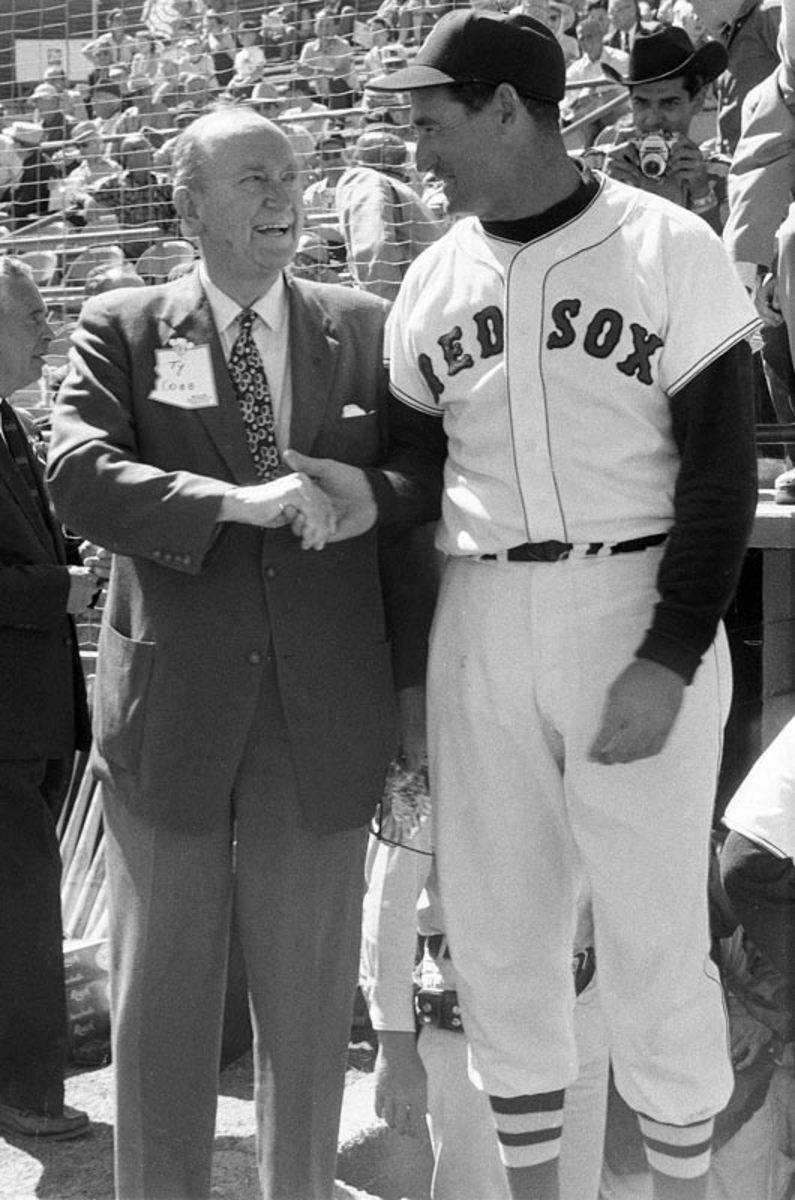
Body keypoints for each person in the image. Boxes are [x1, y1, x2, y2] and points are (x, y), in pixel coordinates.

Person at [308, 10, 761, 1199]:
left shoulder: (669, 246)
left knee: (657, 945)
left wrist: (669, 651)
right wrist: (369, 511)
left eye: (432, 120)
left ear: (509, 107)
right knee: (500, 947)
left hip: (635, 596)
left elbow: (720, 474)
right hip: (481, 612)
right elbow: (416, 488)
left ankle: (682, 1192)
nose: (417, 148)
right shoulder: (429, 276)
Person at [45, 107, 435, 1200]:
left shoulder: (366, 324)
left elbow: (418, 504)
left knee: (310, 1015)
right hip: (171, 721)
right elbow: (74, 469)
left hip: (322, 722)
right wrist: (229, 504)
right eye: (256, 176)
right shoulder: (124, 324)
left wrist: (407, 697)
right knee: (161, 1003)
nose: (284, 195)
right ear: (188, 207)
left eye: (294, 175)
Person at [361, 816, 610, 1200]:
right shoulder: (416, 763)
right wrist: (394, 1046)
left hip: (581, 1001)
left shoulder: (578, 753)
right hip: (472, 1013)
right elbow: (386, 902)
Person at [0, 257, 97, 1143]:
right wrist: (51, 588)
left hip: (31, 715)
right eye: (31, 313)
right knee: (24, 904)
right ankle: (29, 1093)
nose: (47, 327)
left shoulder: (11, 423)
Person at [593, 27, 728, 232]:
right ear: (630, 103)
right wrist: (605, 192)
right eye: (642, 103)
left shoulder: (721, 177)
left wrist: (702, 194)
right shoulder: (595, 170)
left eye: (669, 104)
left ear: (697, 101)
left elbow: (726, 259)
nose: (653, 120)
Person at [336, 128, 443, 300]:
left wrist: (382, 309)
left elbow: (375, 249)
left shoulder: (365, 179)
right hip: (434, 293)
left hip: (416, 300)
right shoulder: (392, 186)